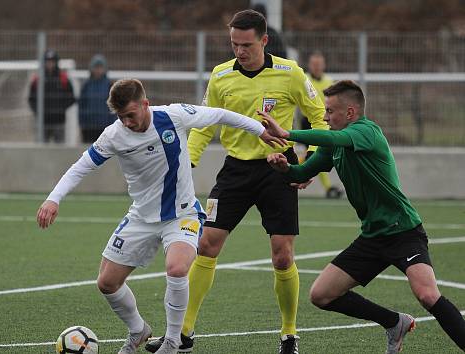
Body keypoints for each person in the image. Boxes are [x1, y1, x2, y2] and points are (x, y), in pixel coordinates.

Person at [37, 79, 284, 354]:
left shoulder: (173, 115)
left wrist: (259, 130)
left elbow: (220, 114)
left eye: (130, 115)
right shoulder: (113, 135)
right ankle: (137, 329)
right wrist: (53, 198)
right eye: (121, 117)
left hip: (182, 214)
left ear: (145, 104)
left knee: (177, 268)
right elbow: (81, 166)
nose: (127, 122)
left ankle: (172, 342)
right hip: (141, 216)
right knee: (107, 282)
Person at [146, 9, 328, 354]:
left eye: (246, 44)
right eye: (234, 44)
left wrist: (310, 163)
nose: (239, 51)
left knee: (282, 256)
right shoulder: (220, 76)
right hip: (235, 170)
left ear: (264, 40)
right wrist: (187, 162)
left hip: (279, 168)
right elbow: (202, 124)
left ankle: (289, 333)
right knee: (206, 245)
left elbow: (319, 115)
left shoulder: (290, 74)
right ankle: (184, 332)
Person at [263, 80, 465, 353]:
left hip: (403, 230)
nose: (324, 116)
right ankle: (394, 322)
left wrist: (287, 133)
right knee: (321, 295)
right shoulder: (333, 144)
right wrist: (285, 167)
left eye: (330, 111)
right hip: (372, 236)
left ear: (350, 113)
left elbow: (337, 138)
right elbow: (303, 173)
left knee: (428, 294)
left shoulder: (367, 132)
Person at [298, 51, 342, 199]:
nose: (316, 67)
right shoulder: (304, 80)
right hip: (307, 122)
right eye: (314, 64)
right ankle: (327, 187)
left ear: (323, 65)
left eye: (319, 64)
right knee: (316, 154)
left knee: (318, 154)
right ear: (310, 65)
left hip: (324, 122)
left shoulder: (329, 82)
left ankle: (291, 174)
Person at [28, 49, 75, 143]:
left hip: (59, 121)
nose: (50, 64)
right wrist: (38, 111)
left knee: (59, 150)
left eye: (52, 61)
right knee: (40, 149)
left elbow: (71, 98)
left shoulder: (63, 78)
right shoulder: (38, 79)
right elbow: (31, 98)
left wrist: (60, 109)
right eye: (48, 62)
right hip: (42, 122)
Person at [78, 54, 116, 143]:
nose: (98, 70)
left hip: (105, 127)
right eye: (96, 67)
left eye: (100, 67)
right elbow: (81, 105)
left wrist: (111, 125)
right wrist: (82, 123)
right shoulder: (86, 85)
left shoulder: (109, 86)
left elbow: (114, 107)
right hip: (88, 127)